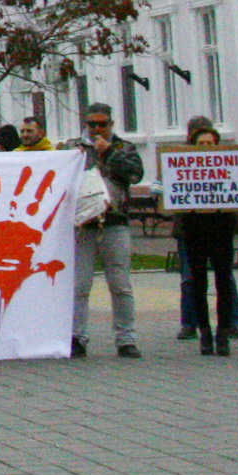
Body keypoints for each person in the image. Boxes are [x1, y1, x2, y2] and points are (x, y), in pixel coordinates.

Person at [70, 103, 143, 359]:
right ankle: (76, 337)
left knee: (120, 284)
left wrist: (110, 151)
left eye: (102, 124)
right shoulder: (72, 148)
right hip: (83, 226)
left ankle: (126, 338)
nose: (97, 129)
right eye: (92, 124)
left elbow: (135, 175)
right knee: (79, 285)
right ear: (85, 124)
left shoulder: (124, 147)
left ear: (111, 124)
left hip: (115, 223)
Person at [171, 117, 238, 356]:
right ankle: (204, 332)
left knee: (223, 281)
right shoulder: (183, 165)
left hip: (221, 228)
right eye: (202, 143)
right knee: (198, 283)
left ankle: (223, 333)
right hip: (194, 229)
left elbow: (236, 188)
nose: (206, 148)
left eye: (211, 143)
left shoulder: (227, 165)